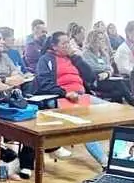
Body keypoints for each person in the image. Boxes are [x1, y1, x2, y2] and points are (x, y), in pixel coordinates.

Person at [34, 31, 108, 164]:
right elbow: (44, 83)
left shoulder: (72, 58)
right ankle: (104, 161)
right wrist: (65, 93)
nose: (67, 45)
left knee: (111, 110)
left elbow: (90, 76)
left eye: (68, 42)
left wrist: (75, 57)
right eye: (64, 43)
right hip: (61, 98)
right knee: (85, 124)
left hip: (82, 96)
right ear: (54, 46)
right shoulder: (45, 60)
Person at [82, 28, 131, 103]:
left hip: (106, 78)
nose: (102, 41)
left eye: (103, 39)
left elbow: (111, 69)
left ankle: (121, 110)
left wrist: (107, 73)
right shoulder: (86, 53)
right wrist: (107, 69)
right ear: (93, 40)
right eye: (100, 39)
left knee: (119, 91)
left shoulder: (103, 54)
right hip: (95, 81)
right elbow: (92, 67)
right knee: (119, 84)